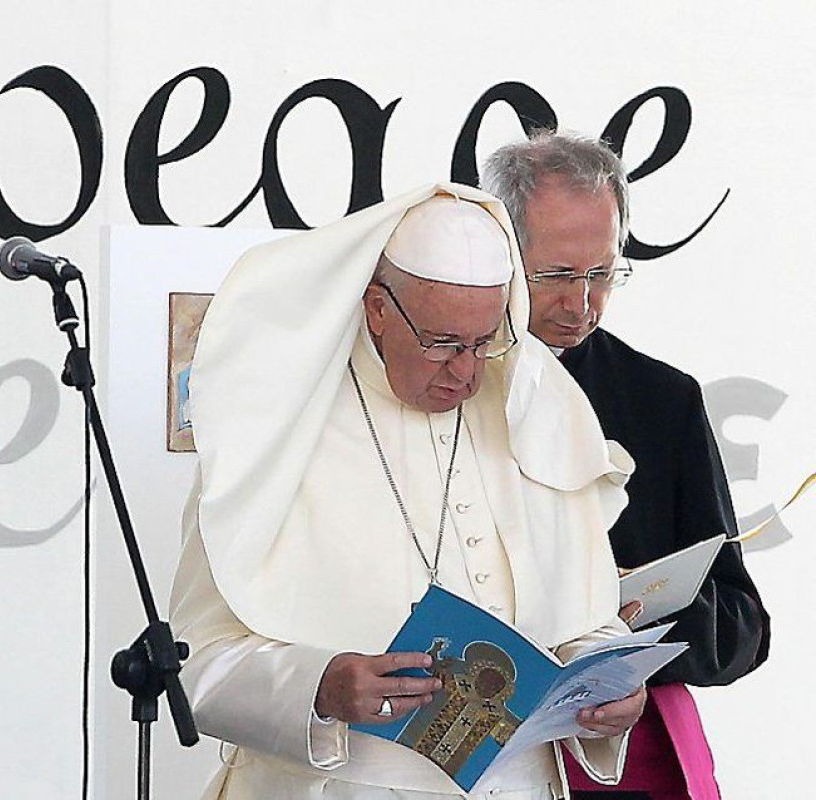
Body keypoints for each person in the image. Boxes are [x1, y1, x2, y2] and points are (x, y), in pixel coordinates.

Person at [170, 182, 646, 800]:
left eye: (483, 343)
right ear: (377, 308)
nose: (466, 372)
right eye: (442, 344)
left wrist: (609, 683)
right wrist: (318, 686)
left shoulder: (535, 415)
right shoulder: (278, 432)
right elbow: (194, 662)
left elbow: (582, 612)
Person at [482, 133, 769, 800]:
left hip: (630, 756)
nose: (581, 303)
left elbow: (742, 627)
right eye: (557, 275)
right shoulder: (436, 385)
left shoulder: (661, 398)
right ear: (497, 251)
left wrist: (625, 617)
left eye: (603, 274)